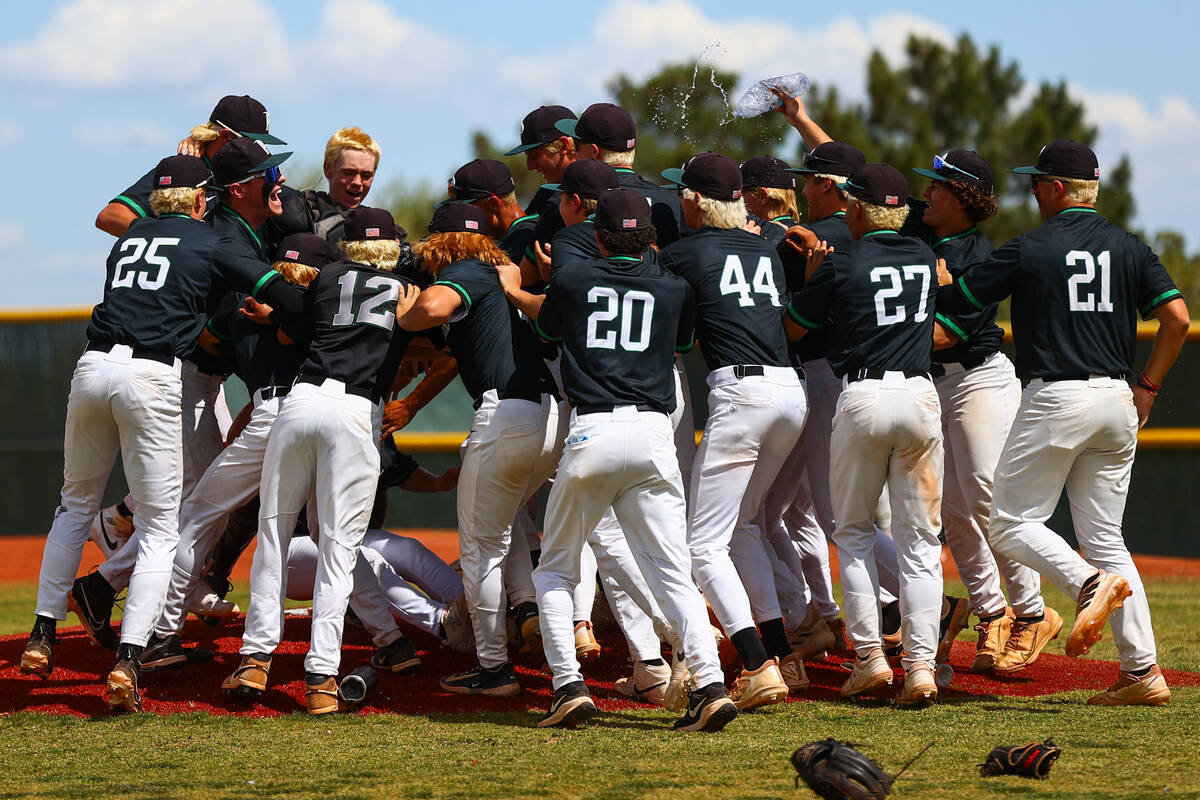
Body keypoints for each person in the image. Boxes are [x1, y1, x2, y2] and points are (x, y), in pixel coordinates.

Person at [19, 155, 306, 713]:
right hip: (151, 374)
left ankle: (41, 634)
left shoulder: (129, 239)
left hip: (92, 367)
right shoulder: (212, 239)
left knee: (73, 506)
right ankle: (130, 656)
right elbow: (278, 291)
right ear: (202, 201)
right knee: (157, 526)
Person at [937, 140, 1189, 706]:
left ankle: (1085, 586)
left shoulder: (1029, 247)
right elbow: (1176, 318)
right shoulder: (1130, 247)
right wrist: (1147, 386)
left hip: (1057, 396)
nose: (1030, 190)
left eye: (1036, 182)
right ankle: (1142, 672)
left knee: (1007, 521)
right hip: (1116, 399)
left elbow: (964, 301)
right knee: (1105, 538)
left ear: (1056, 189)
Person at [519, 187, 737, 731]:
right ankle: (708, 684)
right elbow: (682, 344)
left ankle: (568, 685)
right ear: (650, 240)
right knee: (673, 573)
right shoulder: (674, 286)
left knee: (555, 570)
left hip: (594, 430)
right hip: (653, 433)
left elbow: (548, 332)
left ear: (597, 236)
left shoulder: (572, 278)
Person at [67, 136, 297, 651]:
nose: (277, 181)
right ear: (237, 189)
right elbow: (212, 329)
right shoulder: (221, 237)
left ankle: (117, 589)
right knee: (197, 504)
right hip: (181, 378)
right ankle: (119, 600)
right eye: (269, 173)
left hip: (195, 380)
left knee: (201, 501)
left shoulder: (243, 232)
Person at [222, 207, 421, 715]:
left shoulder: (328, 275)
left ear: (346, 246)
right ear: (392, 248)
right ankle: (322, 676)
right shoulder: (404, 290)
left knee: (273, 533)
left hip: (300, 402)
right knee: (338, 546)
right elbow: (433, 334)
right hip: (355, 411)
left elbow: (291, 319)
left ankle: (254, 658)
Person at [786, 163, 944, 707]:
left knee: (851, 534)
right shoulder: (923, 256)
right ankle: (922, 667)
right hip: (922, 396)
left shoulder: (842, 260)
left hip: (864, 396)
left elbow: (794, 326)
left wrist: (812, 274)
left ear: (854, 208)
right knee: (921, 542)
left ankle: (871, 658)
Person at [398, 203, 561, 698]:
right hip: (550, 418)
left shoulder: (467, 269)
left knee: (479, 549)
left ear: (438, 242)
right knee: (506, 528)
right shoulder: (503, 272)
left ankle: (493, 669)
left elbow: (431, 310)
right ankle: (530, 611)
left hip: (505, 415)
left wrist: (405, 311)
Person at [658, 152, 803, 706]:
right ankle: (782, 655)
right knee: (741, 525)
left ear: (694, 201)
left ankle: (756, 663)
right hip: (791, 392)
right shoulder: (764, 244)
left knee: (703, 545)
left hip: (742, 392)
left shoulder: (684, 252)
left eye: (683, 195)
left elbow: (683, 341)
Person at [911, 150, 1055, 673]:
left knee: (988, 498)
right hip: (934, 384)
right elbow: (865, 187)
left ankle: (1032, 612)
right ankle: (992, 611)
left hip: (976, 381)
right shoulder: (920, 226)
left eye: (937, 186)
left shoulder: (979, 255)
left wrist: (890, 329)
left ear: (963, 197)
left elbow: (947, 334)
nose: (926, 192)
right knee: (951, 508)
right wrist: (802, 122)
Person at [94, 95, 286, 236]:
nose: (259, 148)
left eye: (263, 143)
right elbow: (110, 217)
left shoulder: (257, 175)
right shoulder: (185, 170)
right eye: (251, 141)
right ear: (225, 136)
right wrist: (174, 242)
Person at [555, 103, 683, 248]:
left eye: (576, 145)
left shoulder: (573, 198)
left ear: (594, 152)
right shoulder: (670, 201)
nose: (574, 153)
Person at [444, 158, 539, 265]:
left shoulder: (521, 241)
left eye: (467, 209)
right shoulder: (538, 227)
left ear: (493, 204)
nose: (461, 216)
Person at [303, 126, 381, 246]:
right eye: (349, 173)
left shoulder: (384, 231)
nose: (357, 182)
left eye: (366, 175)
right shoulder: (302, 217)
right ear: (328, 169)